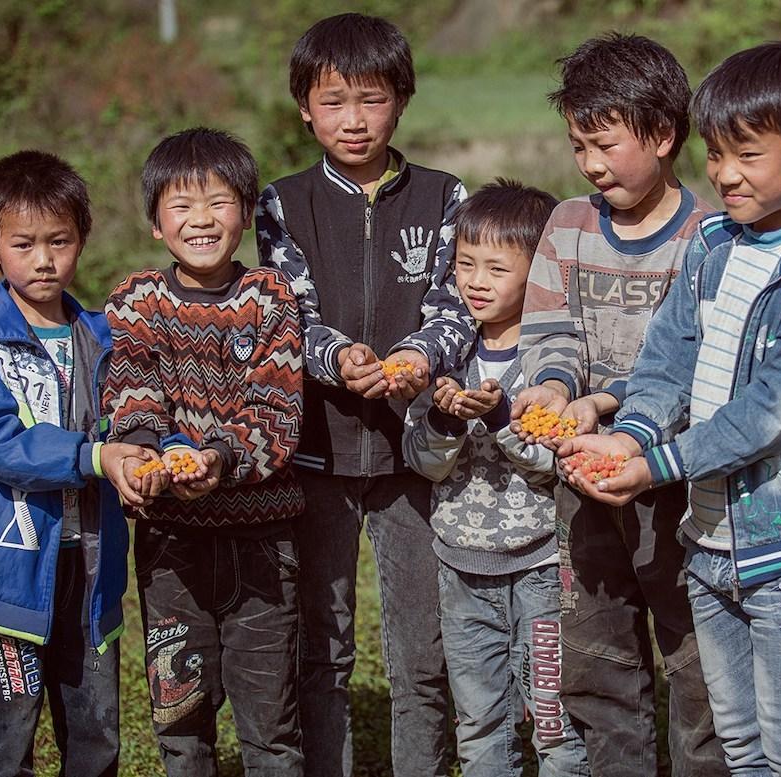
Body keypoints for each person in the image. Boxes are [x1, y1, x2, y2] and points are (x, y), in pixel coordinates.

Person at [560, 41, 781, 776]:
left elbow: (773, 414)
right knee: (740, 744)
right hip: (708, 537)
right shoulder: (714, 245)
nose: (725, 175)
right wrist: (632, 436)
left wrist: (654, 465)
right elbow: (668, 357)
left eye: (750, 157)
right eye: (716, 155)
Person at [256, 13, 474, 777]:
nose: (354, 120)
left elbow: (457, 305)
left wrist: (419, 354)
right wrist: (336, 355)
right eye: (335, 101)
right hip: (315, 453)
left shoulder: (446, 197)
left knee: (421, 650)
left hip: (411, 455)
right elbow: (289, 312)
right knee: (324, 645)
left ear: (403, 102)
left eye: (372, 99)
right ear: (305, 109)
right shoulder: (282, 203)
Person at [512, 32, 727, 777]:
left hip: (677, 487)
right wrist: (551, 387)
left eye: (604, 144)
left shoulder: (708, 240)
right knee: (596, 654)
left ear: (663, 136)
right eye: (578, 145)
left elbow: (697, 368)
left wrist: (603, 405)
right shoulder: (567, 225)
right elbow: (550, 331)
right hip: (581, 482)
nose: (590, 164)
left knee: (697, 656)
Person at [104, 127, 306, 776]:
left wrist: (216, 457)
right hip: (171, 545)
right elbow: (133, 393)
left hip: (262, 542)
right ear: (156, 224)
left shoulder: (269, 299)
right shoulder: (138, 302)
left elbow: (275, 412)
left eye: (219, 202)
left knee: (271, 726)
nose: (201, 218)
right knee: (180, 720)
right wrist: (139, 455)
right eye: (181, 204)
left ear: (246, 216)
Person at [0, 150, 150, 776]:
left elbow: (134, 421)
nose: (43, 259)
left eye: (58, 240)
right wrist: (95, 455)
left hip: (90, 572)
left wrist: (148, 462)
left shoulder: (107, 336)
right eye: (23, 243)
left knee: (96, 740)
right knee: (6, 746)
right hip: (7, 574)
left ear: (81, 239)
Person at [402, 180, 588, 777]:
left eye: (496, 268)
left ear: (536, 276)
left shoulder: (551, 362)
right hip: (462, 568)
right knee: (479, 718)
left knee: (553, 717)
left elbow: (553, 462)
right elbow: (425, 462)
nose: (476, 281)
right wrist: (442, 418)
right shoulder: (446, 358)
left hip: (540, 569)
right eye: (465, 265)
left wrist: (503, 416)